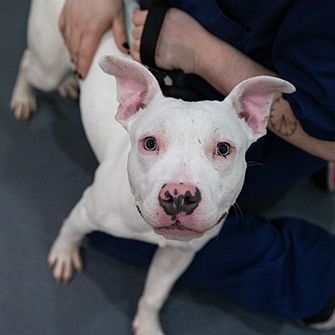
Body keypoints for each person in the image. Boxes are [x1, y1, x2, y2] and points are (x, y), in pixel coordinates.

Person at [59, 0, 335, 329]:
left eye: (221, 149)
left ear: (254, 119)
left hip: (290, 115)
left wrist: (148, 311)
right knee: (43, 73)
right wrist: (66, 242)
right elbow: (83, 213)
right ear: (129, 108)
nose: (180, 192)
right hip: (136, 32)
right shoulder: (113, 194)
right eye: (150, 144)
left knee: (184, 244)